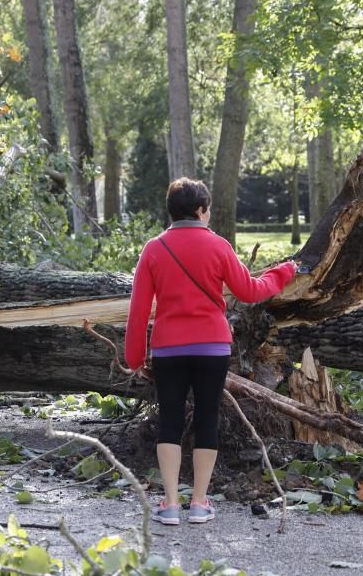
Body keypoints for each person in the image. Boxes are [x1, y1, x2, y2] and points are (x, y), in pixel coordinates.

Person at [125, 178, 298, 526]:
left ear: (171, 210)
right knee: (207, 418)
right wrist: (285, 271)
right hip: (212, 346)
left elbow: (139, 309)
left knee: (170, 421)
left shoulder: (154, 249)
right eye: (208, 210)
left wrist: (134, 358)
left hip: (168, 348)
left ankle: (171, 504)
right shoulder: (218, 246)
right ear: (201, 210)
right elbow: (250, 291)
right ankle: (201, 503)